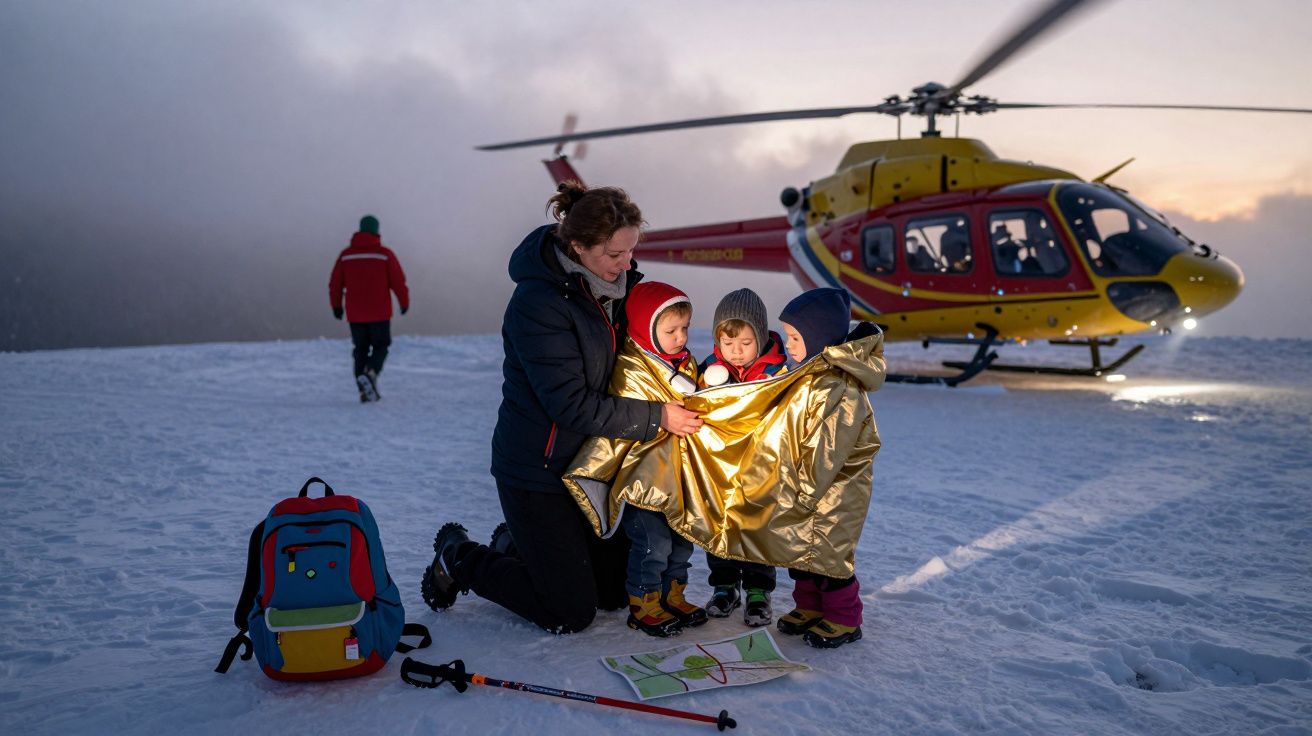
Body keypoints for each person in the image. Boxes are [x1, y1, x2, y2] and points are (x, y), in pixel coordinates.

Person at [420, 182, 702, 635]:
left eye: (631, 252)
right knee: (570, 611)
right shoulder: (539, 304)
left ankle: (516, 544)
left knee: (613, 594)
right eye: (614, 254)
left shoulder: (617, 288)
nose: (627, 264)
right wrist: (658, 418)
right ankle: (460, 557)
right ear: (577, 246)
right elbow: (569, 404)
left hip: (590, 466)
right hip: (538, 470)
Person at [776, 287, 875, 648]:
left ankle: (844, 618)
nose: (789, 344)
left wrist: (802, 486)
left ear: (818, 337)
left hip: (836, 490)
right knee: (802, 551)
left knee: (830, 557)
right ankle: (810, 606)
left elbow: (827, 451)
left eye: (795, 337)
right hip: (806, 485)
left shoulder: (839, 386)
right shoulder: (808, 374)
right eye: (788, 336)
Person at [616, 281, 708, 636]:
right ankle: (644, 601)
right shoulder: (632, 368)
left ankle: (673, 593)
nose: (681, 337)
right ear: (645, 327)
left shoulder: (686, 363)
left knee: (683, 535)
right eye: (671, 330)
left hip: (680, 474)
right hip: (644, 477)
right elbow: (626, 415)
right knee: (653, 540)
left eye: (685, 328)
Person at [698, 288, 786, 626]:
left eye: (745, 343)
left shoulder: (776, 372)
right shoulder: (710, 369)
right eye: (727, 343)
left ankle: (758, 592)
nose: (735, 352)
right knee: (718, 528)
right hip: (719, 467)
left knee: (756, 529)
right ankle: (724, 587)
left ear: (761, 337)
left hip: (760, 468)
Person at [329, 214, 409, 402]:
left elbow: (335, 283)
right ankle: (371, 372)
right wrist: (404, 302)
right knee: (381, 345)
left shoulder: (346, 255)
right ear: (376, 230)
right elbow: (398, 281)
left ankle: (364, 389)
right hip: (380, 312)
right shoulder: (384, 254)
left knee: (360, 349)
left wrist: (336, 306)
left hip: (355, 313)